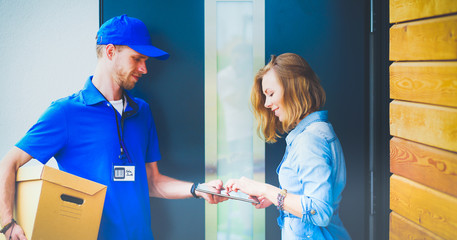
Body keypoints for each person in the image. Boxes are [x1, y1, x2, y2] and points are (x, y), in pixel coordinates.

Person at [0, 14, 226, 240]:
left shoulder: (142, 111)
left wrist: (198, 189)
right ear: (110, 52)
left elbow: (152, 181)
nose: (144, 69)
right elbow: (9, 163)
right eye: (137, 59)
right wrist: (7, 224)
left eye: (145, 61)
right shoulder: (65, 113)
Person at [225, 53, 351, 239]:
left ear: (294, 88)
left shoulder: (310, 140)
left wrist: (264, 190)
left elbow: (319, 211)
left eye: (271, 94)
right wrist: (275, 198)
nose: (267, 103)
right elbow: (309, 193)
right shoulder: (317, 131)